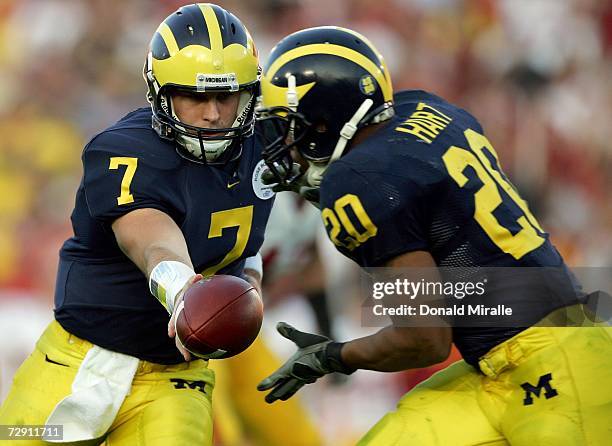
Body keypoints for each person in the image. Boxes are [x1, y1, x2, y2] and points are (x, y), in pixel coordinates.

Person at [255, 26, 612, 445]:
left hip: (560, 365)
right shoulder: (423, 108)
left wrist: (332, 356)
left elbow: (423, 339)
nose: (284, 144)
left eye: (290, 128)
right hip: (500, 363)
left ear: (323, 124)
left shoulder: (360, 182)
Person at [0, 4, 275, 445]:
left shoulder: (268, 144)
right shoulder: (123, 150)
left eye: (227, 96)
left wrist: (252, 276)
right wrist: (184, 290)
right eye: (195, 96)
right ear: (159, 94)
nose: (213, 114)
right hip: (73, 365)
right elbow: (151, 240)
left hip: (174, 379)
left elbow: (259, 225)